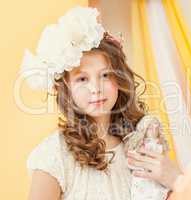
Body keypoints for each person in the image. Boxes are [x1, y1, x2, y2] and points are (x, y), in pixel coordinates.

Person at [21, 6, 182, 200]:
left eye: (105, 75)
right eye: (82, 79)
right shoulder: (54, 155)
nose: (96, 89)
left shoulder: (140, 142)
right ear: (66, 88)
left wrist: (176, 179)